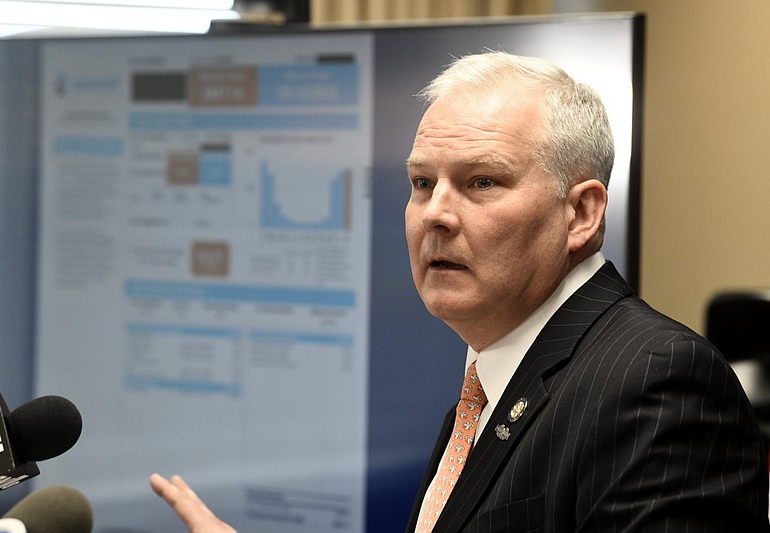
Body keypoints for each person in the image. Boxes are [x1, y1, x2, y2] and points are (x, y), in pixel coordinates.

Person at [150, 51, 770, 532]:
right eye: (422, 183)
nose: (434, 215)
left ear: (580, 214)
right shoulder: (488, 385)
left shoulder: (655, 381)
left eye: (480, 182)